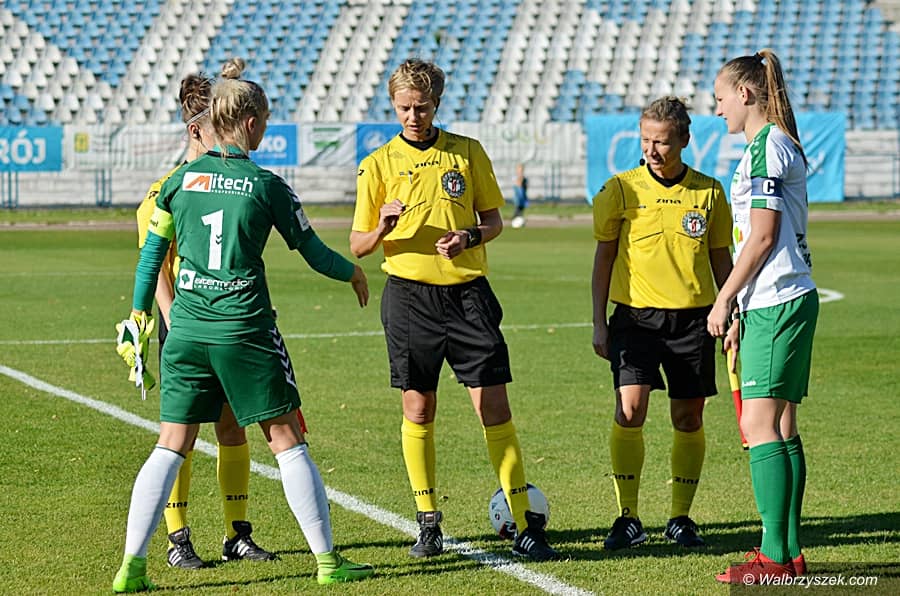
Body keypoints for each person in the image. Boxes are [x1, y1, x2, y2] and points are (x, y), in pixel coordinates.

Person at [112, 70, 374, 592]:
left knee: (170, 445)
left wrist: (140, 316)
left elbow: (150, 260)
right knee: (286, 440)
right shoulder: (267, 185)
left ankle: (131, 568)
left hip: (186, 332)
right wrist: (353, 272)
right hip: (244, 330)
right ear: (251, 123)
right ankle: (327, 562)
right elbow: (313, 251)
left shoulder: (177, 183)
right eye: (265, 122)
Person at [350, 58, 559, 562]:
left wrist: (469, 236)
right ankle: (428, 522)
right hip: (409, 298)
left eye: (421, 107)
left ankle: (524, 522)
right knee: (418, 408)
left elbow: (494, 221)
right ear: (393, 106)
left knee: (494, 408)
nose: (413, 117)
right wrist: (381, 227)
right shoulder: (377, 164)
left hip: (468, 296)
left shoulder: (466, 152)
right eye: (404, 108)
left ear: (436, 103)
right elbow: (358, 245)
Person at [133, 58, 274, 570]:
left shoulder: (229, 178)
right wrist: (176, 322)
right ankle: (178, 538)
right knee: (182, 437)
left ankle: (237, 533)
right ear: (196, 130)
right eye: (216, 126)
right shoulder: (167, 189)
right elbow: (156, 268)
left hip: (227, 321)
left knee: (233, 429)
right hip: (187, 325)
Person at [591, 96, 733, 551]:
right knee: (629, 409)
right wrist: (598, 322)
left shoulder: (709, 192)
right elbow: (603, 258)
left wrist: (730, 310)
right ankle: (627, 517)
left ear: (685, 140)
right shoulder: (619, 190)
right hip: (635, 319)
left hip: (694, 321)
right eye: (646, 140)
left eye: (663, 142)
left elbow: (721, 258)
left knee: (687, 416)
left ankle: (680, 517)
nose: (652, 150)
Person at [709, 49, 818, 584]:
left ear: (744, 93)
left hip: (777, 298)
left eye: (720, 98)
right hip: (780, 298)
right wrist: (741, 309)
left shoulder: (767, 147)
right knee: (781, 424)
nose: (718, 109)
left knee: (759, 427)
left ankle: (774, 558)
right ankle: (789, 552)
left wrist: (725, 298)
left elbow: (763, 235)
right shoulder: (774, 143)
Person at [511, 162, 528, 228]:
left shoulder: (524, 178)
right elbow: (517, 186)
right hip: (518, 198)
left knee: (520, 210)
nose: (520, 171)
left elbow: (523, 187)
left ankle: (518, 221)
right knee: (518, 210)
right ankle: (516, 220)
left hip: (522, 197)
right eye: (519, 169)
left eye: (521, 170)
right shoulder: (517, 178)